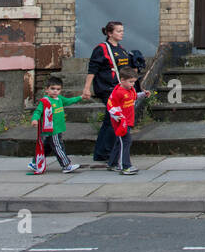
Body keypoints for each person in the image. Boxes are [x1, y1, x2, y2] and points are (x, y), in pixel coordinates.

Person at [84, 22, 145, 165]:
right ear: (109, 33)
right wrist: (87, 88)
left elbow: (127, 72)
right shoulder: (102, 49)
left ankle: (103, 152)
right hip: (107, 88)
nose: (122, 33)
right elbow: (92, 69)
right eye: (118, 31)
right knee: (114, 119)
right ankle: (105, 152)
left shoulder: (122, 50)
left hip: (119, 89)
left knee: (109, 121)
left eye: (122, 30)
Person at [29, 78, 86, 175]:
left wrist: (80, 97)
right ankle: (66, 165)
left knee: (46, 147)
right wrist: (34, 119)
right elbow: (38, 111)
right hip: (51, 130)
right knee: (59, 147)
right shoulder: (45, 101)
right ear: (47, 89)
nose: (55, 91)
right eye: (52, 88)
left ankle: (35, 163)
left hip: (57, 128)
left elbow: (69, 101)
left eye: (58, 89)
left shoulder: (60, 99)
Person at [106, 67, 149, 175]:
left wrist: (143, 94)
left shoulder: (131, 90)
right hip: (121, 123)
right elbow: (110, 106)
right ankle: (125, 166)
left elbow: (133, 98)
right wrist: (117, 117)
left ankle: (112, 163)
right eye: (130, 82)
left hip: (128, 121)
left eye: (134, 82)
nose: (132, 84)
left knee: (119, 142)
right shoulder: (118, 92)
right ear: (122, 80)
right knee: (126, 142)